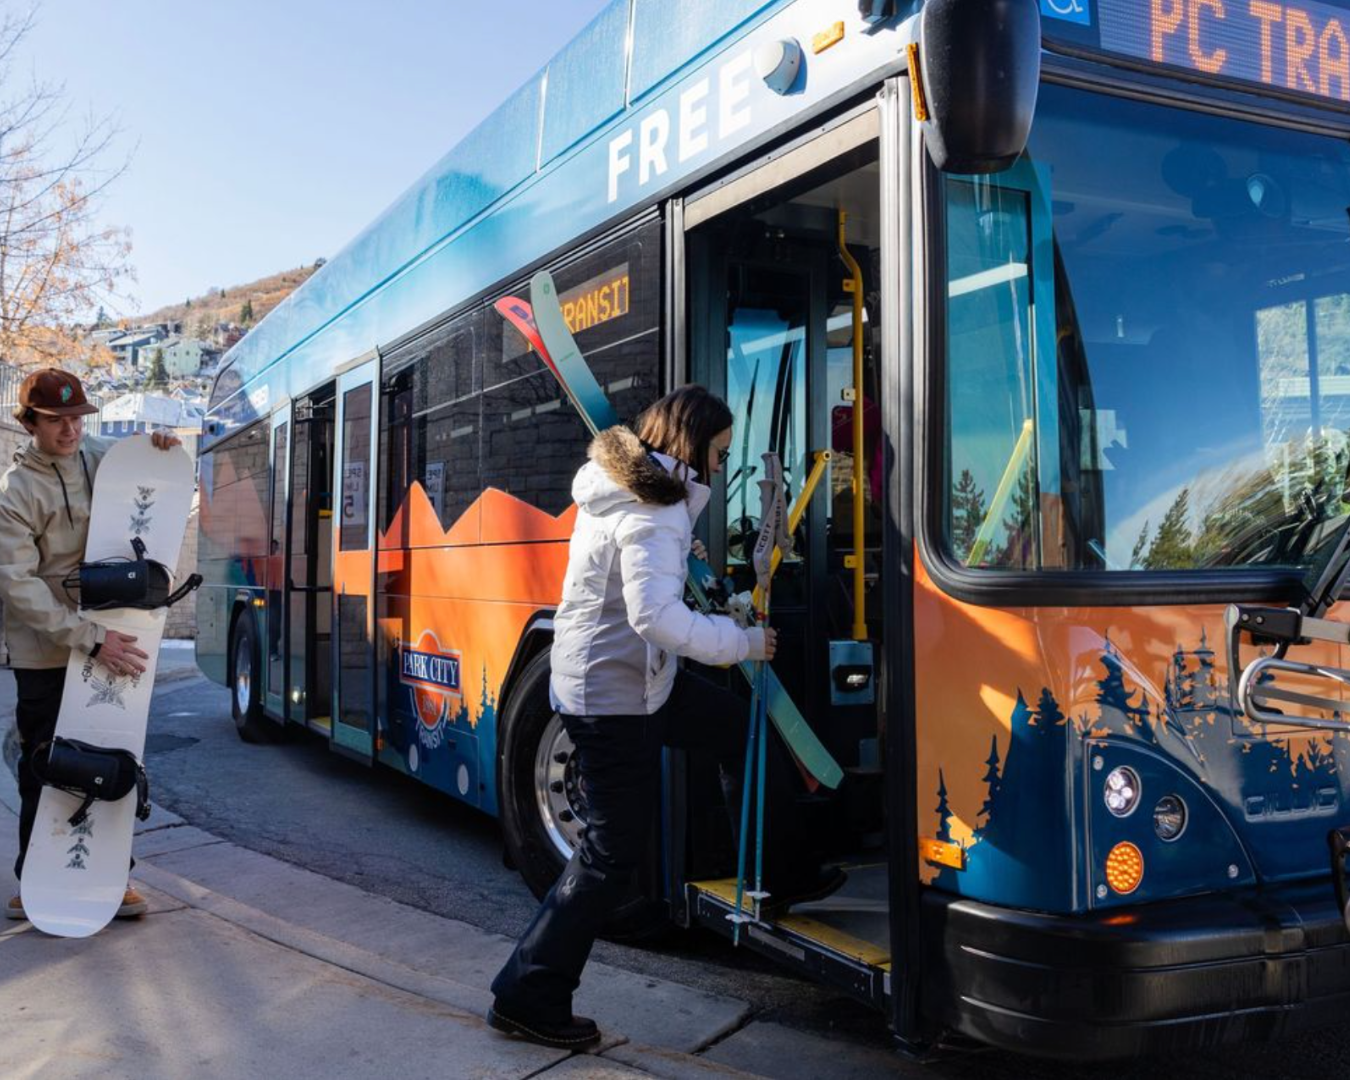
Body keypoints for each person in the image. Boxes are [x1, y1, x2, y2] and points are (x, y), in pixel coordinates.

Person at [488, 384, 843, 1050]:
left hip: (638, 683)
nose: (718, 467)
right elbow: (651, 615)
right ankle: (528, 992)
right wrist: (741, 642)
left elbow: (642, 586)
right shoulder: (654, 510)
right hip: (613, 695)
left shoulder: (640, 496)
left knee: (738, 730)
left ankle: (776, 877)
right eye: (716, 453)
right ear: (689, 442)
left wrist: (686, 566)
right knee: (610, 852)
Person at [3, 368, 180, 922]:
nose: (71, 430)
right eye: (57, 421)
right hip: (48, 651)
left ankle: (111, 877)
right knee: (47, 767)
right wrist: (89, 638)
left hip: (109, 639)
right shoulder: (16, 491)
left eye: (78, 418)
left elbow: (146, 476)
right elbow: (17, 584)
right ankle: (33, 879)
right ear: (30, 421)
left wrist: (159, 450)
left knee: (108, 755)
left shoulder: (99, 457)